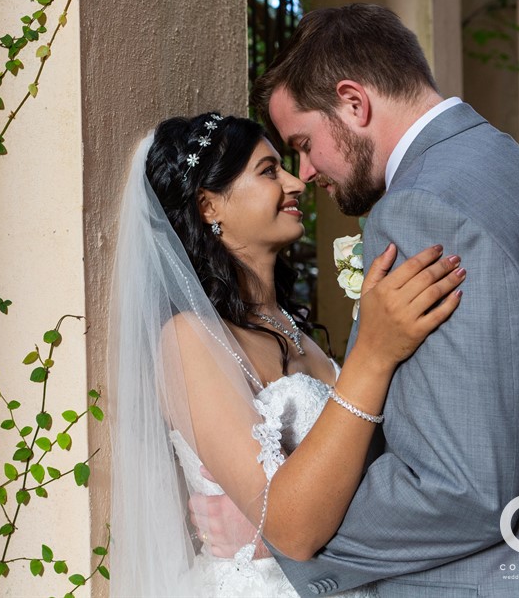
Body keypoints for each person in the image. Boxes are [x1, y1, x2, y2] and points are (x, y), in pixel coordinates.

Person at [239, 3, 519, 597]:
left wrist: (276, 535)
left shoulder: (424, 208)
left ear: (354, 102)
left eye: (303, 142)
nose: (308, 172)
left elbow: (455, 486)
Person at [107, 112, 465, 596]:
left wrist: (258, 532)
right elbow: (290, 526)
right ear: (209, 206)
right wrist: (374, 355)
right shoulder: (191, 339)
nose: (297, 182)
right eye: (269, 170)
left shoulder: (298, 332)